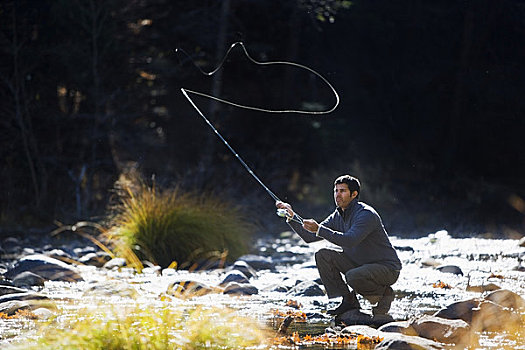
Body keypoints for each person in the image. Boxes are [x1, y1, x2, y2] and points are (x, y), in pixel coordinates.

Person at [276, 175, 401, 317]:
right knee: (323, 255)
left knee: (353, 276)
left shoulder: (366, 214)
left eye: (342, 191)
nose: (337, 195)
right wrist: (291, 217)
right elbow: (309, 237)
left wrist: (319, 229)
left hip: (387, 268)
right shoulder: (338, 214)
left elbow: (350, 240)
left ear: (354, 194)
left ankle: (384, 294)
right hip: (360, 264)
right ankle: (348, 301)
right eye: (336, 191)